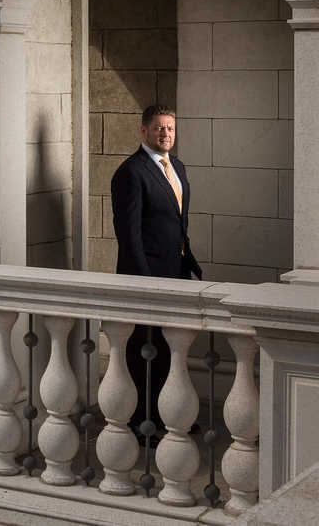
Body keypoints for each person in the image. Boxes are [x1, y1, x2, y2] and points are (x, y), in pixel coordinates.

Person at [111, 104, 202, 442]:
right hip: (145, 276)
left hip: (175, 272)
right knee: (142, 348)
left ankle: (168, 415)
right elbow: (129, 235)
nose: (166, 133)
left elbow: (178, 221)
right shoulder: (130, 172)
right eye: (159, 128)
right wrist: (145, 281)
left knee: (169, 347)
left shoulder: (176, 166)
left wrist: (187, 259)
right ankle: (140, 420)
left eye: (171, 128)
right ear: (144, 131)